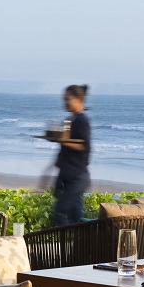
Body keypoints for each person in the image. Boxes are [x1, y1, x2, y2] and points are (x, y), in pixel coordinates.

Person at [51, 84, 91, 226]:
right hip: (67, 177)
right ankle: (79, 240)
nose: (65, 102)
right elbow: (66, 147)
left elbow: (85, 146)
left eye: (68, 99)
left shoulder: (82, 121)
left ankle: (66, 240)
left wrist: (63, 141)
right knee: (76, 218)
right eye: (64, 99)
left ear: (78, 99)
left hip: (77, 178)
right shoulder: (70, 120)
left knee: (60, 212)